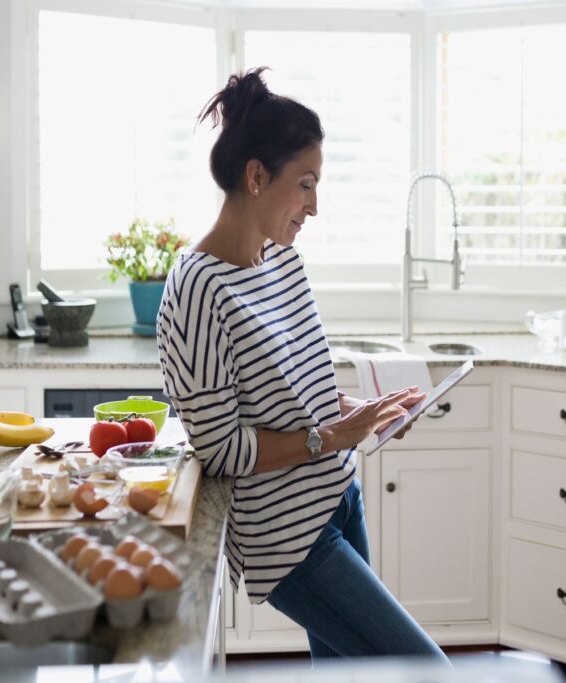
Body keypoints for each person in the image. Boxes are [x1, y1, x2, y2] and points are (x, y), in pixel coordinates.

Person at [156, 67, 449, 662]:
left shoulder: (281, 262)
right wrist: (334, 434)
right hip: (289, 540)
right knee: (428, 672)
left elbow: (302, 400)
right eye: (306, 185)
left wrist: (369, 416)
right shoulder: (195, 288)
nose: (314, 206)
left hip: (340, 498)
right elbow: (220, 449)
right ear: (257, 176)